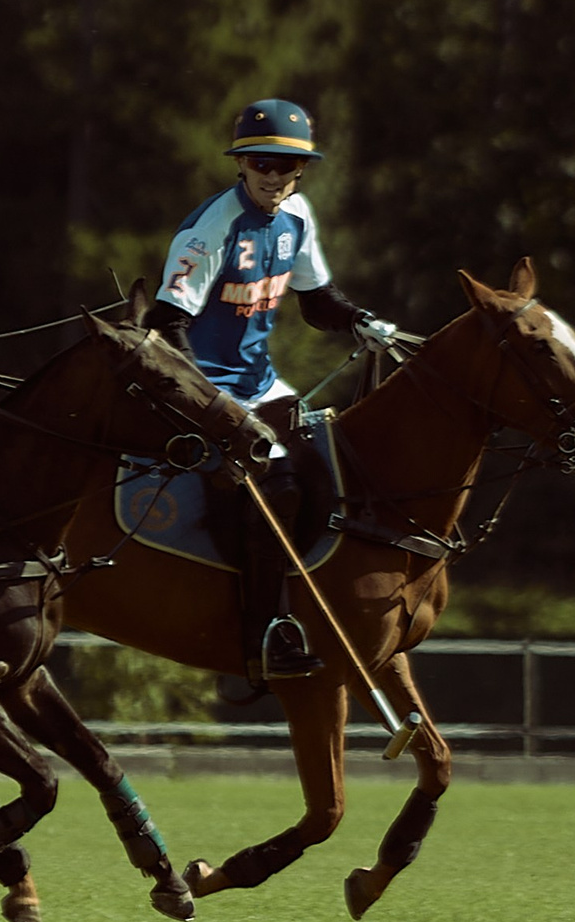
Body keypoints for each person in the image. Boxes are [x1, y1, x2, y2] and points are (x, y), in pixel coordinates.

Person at [148, 99, 397, 680]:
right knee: (278, 486)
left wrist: (359, 319)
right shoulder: (213, 226)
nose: (272, 176)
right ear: (241, 165)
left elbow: (317, 301)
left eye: (284, 166)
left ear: (301, 171)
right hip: (205, 385)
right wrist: (205, 400)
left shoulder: (299, 216)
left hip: (261, 381)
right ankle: (264, 633)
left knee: (336, 468)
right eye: (260, 163)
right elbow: (167, 320)